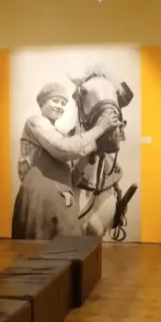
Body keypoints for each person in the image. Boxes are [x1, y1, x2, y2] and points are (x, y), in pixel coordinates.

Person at [12, 82, 119, 240]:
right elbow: (63, 148)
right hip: (39, 202)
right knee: (37, 253)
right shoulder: (35, 122)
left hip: (60, 204)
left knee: (65, 253)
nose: (59, 106)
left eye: (63, 103)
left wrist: (90, 155)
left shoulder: (58, 134)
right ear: (42, 103)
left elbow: (71, 179)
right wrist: (100, 128)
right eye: (55, 101)